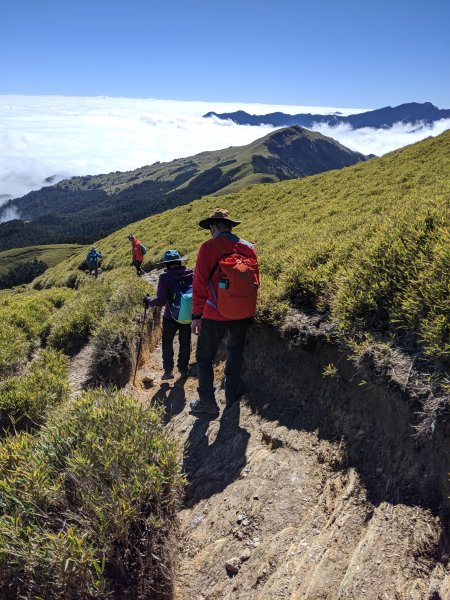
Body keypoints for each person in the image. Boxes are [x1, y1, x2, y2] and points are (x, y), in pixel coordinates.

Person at [190, 208, 259, 417]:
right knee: (235, 351)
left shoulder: (208, 248)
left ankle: (208, 404)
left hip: (214, 313)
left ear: (213, 227)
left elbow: (200, 283)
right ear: (230, 226)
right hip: (241, 311)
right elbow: (254, 281)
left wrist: (196, 316)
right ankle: (232, 393)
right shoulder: (248, 247)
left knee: (204, 358)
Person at [144, 249, 193, 380]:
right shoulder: (190, 273)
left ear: (167, 264)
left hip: (170, 316)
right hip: (188, 314)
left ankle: (168, 371)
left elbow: (161, 301)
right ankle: (183, 369)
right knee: (185, 341)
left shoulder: (165, 277)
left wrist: (149, 302)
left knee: (167, 342)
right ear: (179, 261)